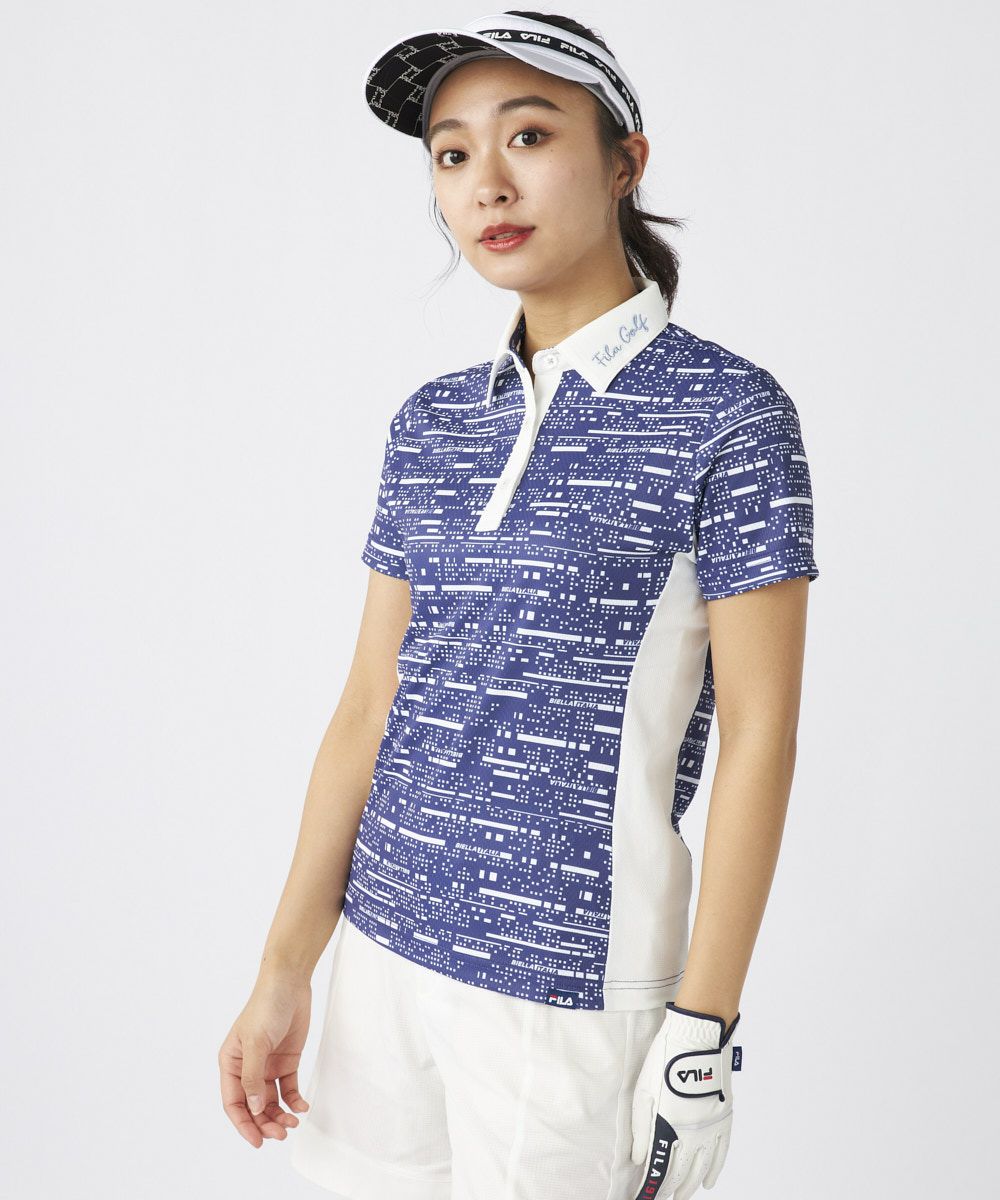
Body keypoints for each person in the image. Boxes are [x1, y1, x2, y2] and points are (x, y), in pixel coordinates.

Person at [218, 11, 820, 1200]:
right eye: (451, 154)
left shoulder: (727, 415)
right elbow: (370, 703)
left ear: (624, 161)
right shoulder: (434, 421)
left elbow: (761, 735)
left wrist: (702, 1030)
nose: (485, 182)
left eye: (529, 136)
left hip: (570, 989)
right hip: (381, 958)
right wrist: (285, 968)